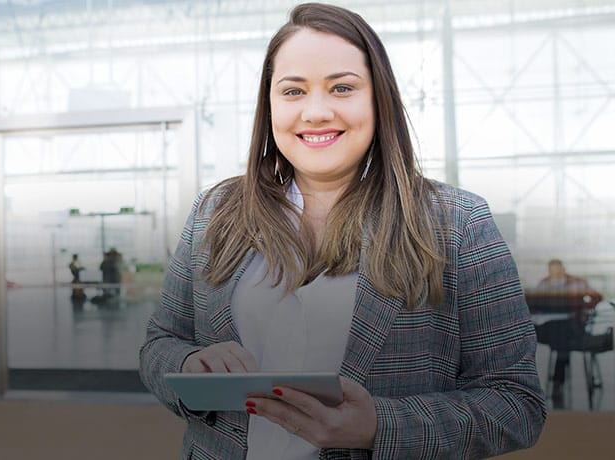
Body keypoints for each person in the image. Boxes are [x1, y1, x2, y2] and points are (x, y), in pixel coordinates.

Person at [139, 3, 546, 458]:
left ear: (378, 99)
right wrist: (190, 365)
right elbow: (161, 344)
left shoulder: (457, 224)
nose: (315, 112)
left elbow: (517, 403)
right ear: (269, 105)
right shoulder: (214, 212)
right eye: (293, 92)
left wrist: (378, 427)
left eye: (342, 87)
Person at [535, 259, 602, 408]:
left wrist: (583, 307)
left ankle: (558, 380)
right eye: (552, 271)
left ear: (563, 269)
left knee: (561, 334)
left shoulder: (577, 282)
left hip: (572, 326)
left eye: (558, 270)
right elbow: (533, 304)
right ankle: (558, 379)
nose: (555, 274)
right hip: (549, 327)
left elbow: (597, 296)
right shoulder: (544, 284)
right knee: (558, 334)